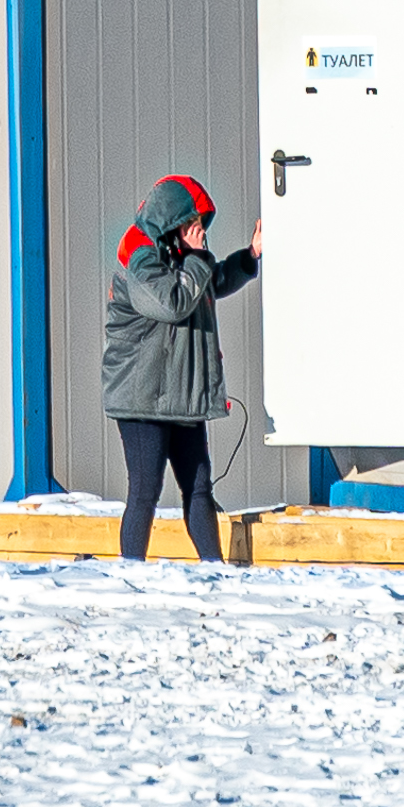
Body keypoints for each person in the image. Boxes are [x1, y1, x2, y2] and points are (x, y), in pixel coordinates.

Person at [101, 174, 261, 562]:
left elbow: (210, 282)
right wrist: (194, 256)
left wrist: (249, 257)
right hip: (142, 399)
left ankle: (214, 569)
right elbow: (172, 302)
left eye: (201, 225)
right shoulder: (138, 255)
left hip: (180, 393)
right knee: (145, 489)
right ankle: (131, 572)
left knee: (199, 486)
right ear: (172, 222)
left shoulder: (182, 254)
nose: (200, 232)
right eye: (192, 224)